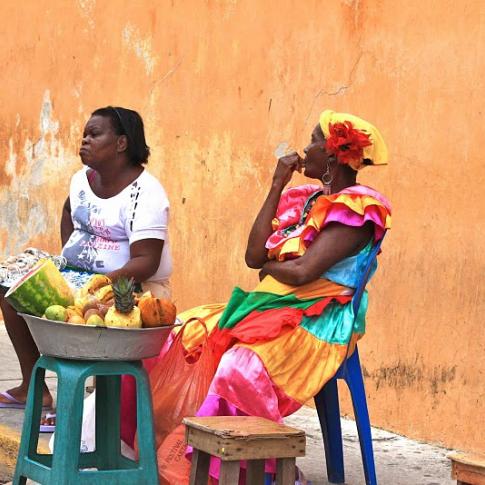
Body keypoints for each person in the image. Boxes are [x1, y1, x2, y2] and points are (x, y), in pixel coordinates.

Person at [121, 109, 391, 482]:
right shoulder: (305, 199)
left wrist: (270, 268)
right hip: (266, 309)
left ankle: (255, 469)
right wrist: (276, 184)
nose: (305, 148)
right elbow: (253, 256)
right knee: (178, 333)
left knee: (240, 366)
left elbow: (303, 272)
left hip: (317, 320)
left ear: (333, 153)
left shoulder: (357, 208)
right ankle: (157, 448)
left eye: (314, 140)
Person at [0, 107, 172, 428]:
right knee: (11, 287)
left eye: (94, 134)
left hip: (130, 288)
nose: (84, 140)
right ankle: (33, 388)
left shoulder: (146, 193)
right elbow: (70, 209)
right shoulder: (81, 179)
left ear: (121, 143)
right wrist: (71, 253)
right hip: (78, 274)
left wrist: (97, 283)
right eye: (84, 134)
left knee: (81, 315)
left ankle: (75, 407)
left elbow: (146, 261)